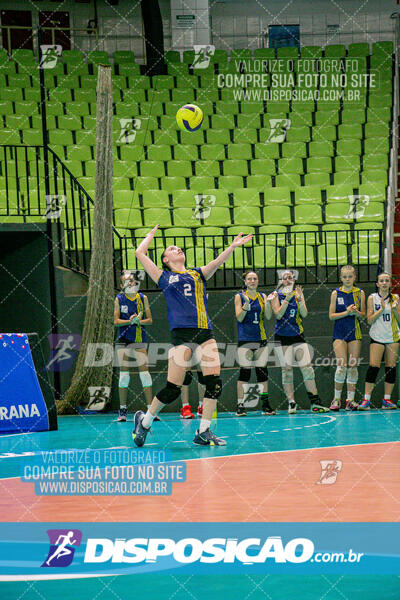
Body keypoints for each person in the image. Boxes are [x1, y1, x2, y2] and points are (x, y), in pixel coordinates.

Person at [132, 225, 252, 446]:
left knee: (214, 382)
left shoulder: (197, 273)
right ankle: (145, 421)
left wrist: (232, 247)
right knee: (172, 388)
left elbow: (216, 263)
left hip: (205, 332)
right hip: (182, 334)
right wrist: (149, 236)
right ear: (165, 259)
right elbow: (140, 253)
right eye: (171, 249)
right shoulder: (163, 277)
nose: (176, 249)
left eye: (177, 247)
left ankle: (203, 431)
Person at [271, 270, 329, 414]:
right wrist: (287, 299)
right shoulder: (276, 295)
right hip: (282, 337)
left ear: (294, 279)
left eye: (290, 277)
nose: (288, 280)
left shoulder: (299, 293)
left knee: (307, 368)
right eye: (285, 278)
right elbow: (278, 314)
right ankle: (292, 403)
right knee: (287, 370)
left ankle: (315, 402)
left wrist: (300, 300)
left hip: (298, 335)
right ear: (281, 280)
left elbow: (304, 314)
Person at [114, 270, 154, 422]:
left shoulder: (143, 298)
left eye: (131, 280)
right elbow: (116, 321)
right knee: (124, 376)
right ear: (121, 285)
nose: (130, 283)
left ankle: (150, 408)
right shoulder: (118, 299)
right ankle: (123, 410)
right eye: (126, 281)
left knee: (145, 374)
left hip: (138, 339)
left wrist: (139, 321)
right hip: (124, 340)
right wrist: (130, 321)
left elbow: (150, 320)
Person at [234, 270, 276, 416]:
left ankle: (265, 405)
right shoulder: (239, 297)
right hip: (245, 339)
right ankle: (240, 405)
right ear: (245, 282)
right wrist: (246, 304)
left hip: (260, 338)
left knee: (262, 372)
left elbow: (269, 316)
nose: (252, 281)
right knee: (245, 372)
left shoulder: (262, 296)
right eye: (249, 279)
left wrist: (269, 303)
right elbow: (239, 318)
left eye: (255, 279)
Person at [359, 272, 400, 410]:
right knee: (373, 366)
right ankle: (366, 400)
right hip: (377, 336)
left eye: (387, 280)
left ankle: (387, 400)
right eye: (381, 281)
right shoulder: (372, 298)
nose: (384, 283)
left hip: (392, 337)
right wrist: (381, 309)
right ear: (377, 284)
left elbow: (399, 320)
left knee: (391, 368)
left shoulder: (396, 298)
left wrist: (394, 310)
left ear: (390, 283)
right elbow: (369, 320)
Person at [329, 265, 366, 411]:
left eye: (350, 276)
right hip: (339, 333)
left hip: (355, 333)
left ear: (354, 277)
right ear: (340, 278)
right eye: (344, 277)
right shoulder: (335, 293)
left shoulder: (360, 293)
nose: (347, 279)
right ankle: (336, 399)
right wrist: (346, 312)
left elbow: (363, 315)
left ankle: (350, 400)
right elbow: (331, 316)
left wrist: (356, 312)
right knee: (341, 367)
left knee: (353, 366)